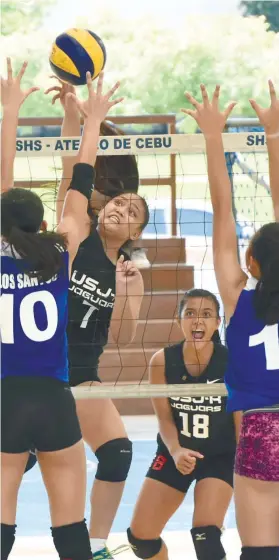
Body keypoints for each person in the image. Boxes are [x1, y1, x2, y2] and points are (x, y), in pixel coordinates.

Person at [1, 58, 122, 560]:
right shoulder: (64, 248)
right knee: (71, 530)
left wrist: (11, 111)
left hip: (5, 401)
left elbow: (2, 178)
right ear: (41, 221)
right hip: (55, 399)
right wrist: (90, 122)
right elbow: (80, 179)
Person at [42, 79, 150, 559]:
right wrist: (72, 110)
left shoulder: (129, 271)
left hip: (86, 376)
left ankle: (99, 545)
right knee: (24, 459)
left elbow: (125, 338)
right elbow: (72, 170)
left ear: (135, 232)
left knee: (118, 452)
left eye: (130, 212)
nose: (119, 210)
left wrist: (127, 292)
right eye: (119, 203)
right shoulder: (78, 233)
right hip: (46, 368)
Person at [182, 81, 279, 559]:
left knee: (260, 552)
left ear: (252, 261)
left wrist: (213, 137)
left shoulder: (238, 298)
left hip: (261, 430)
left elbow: (223, 211)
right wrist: (274, 136)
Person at [127, 288, 240, 560]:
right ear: (179, 320)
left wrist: (242, 470)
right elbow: (164, 419)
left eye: (206, 314)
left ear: (217, 322)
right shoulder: (162, 362)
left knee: (206, 537)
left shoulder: (233, 363)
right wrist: (176, 450)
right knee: (140, 540)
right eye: (189, 313)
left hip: (219, 457)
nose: (197, 321)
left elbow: (241, 426)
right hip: (175, 451)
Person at [45, 76, 150, 268]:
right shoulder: (75, 220)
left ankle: (136, 249)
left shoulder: (121, 191)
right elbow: (71, 163)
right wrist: (70, 111)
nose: (120, 209)